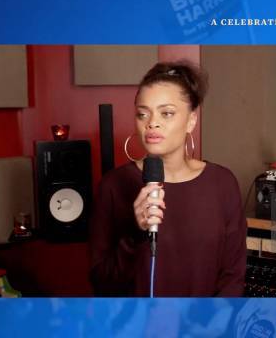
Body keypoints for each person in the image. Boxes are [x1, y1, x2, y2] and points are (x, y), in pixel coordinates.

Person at [89, 60, 247, 296]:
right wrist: (136, 232)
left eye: (167, 113)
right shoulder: (113, 186)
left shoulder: (222, 184)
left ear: (191, 120)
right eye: (143, 114)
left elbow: (233, 277)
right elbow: (102, 283)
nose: (152, 123)